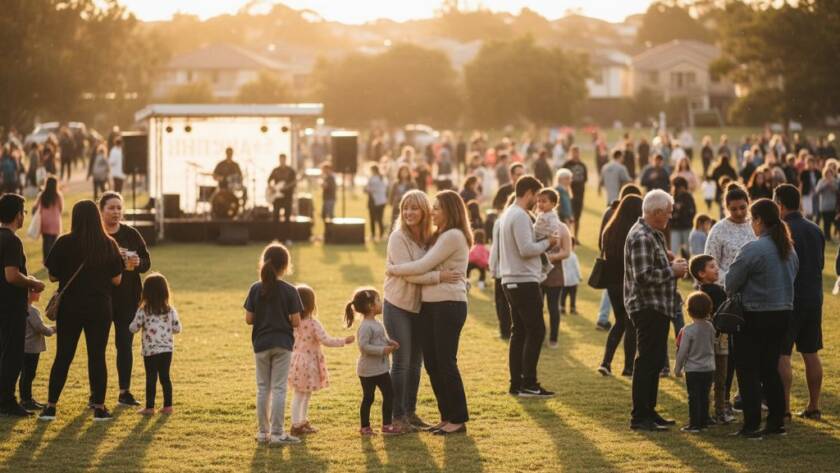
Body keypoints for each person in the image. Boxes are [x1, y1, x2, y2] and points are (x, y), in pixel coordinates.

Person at [386, 190, 471, 435]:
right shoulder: (438, 235)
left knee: (445, 363)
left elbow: (422, 266)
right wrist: (437, 276)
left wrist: (393, 270)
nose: (433, 212)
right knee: (433, 364)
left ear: (450, 211)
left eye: (437, 208)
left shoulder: (452, 236)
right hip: (430, 306)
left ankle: (457, 418)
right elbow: (423, 269)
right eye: (432, 207)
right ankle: (446, 417)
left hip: (448, 305)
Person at [41, 200, 123, 422]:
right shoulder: (109, 244)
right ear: (97, 216)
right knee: (97, 356)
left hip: (70, 308)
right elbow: (117, 279)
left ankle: (50, 407)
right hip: (99, 307)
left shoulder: (64, 242)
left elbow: (52, 276)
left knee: (63, 356)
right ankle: (99, 407)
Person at [726, 198, 798, 438]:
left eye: (752, 220)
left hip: (755, 314)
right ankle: (776, 422)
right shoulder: (788, 249)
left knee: (747, 370)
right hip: (783, 313)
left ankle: (751, 424)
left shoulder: (753, 248)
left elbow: (731, 282)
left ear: (758, 220)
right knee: (770, 369)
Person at [625, 189, 687, 431]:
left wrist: (670, 262)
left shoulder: (654, 234)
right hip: (647, 306)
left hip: (658, 306)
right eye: (668, 213)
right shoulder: (642, 236)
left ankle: (649, 412)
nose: (670, 217)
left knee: (653, 362)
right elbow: (643, 277)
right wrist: (672, 271)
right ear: (657, 212)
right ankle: (640, 416)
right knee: (647, 363)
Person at [498, 176, 559, 398]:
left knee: (520, 332)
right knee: (536, 330)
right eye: (537, 196)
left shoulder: (507, 214)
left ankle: (517, 383)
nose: (537, 201)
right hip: (523, 280)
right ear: (530, 193)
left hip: (511, 279)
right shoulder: (520, 216)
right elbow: (526, 249)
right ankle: (529, 383)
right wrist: (548, 243)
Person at [774, 185, 825, 420]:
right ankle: (814, 404)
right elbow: (820, 263)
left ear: (780, 205)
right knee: (811, 351)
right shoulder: (815, 229)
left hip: (789, 298)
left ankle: (784, 408)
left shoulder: (782, 230)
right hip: (814, 296)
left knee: (783, 353)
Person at [244, 243, 302, 445]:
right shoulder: (290, 291)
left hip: (260, 344)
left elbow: (249, 319)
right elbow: (296, 321)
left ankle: (263, 433)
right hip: (283, 344)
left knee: (263, 388)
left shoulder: (255, 288)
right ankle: (277, 434)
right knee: (278, 388)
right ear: (285, 266)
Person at [99, 192, 151, 408]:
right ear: (101, 210)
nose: (116, 212)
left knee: (124, 345)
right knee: (97, 347)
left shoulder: (131, 234)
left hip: (128, 298)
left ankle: (124, 392)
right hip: (101, 297)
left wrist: (137, 262)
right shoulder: (96, 235)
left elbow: (147, 263)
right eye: (111, 208)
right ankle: (96, 396)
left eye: (119, 208)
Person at [0, 194, 46, 416]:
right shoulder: (11, 241)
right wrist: (33, 282)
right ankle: (7, 401)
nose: (24, 216)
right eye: (23, 212)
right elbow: (11, 275)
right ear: (18, 214)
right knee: (12, 354)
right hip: (10, 305)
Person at [288, 284, 354, 436]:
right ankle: (296, 424)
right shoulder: (312, 323)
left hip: (296, 362)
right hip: (308, 363)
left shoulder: (292, 321)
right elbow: (326, 340)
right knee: (302, 394)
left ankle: (301, 422)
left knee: (302, 393)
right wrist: (344, 341)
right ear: (312, 304)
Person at [345, 287, 403, 436]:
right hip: (368, 371)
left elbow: (380, 339)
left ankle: (387, 425)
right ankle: (365, 427)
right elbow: (364, 347)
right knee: (369, 397)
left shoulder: (377, 323)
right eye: (378, 300)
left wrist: (389, 342)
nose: (381, 302)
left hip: (381, 369)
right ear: (371, 306)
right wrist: (383, 350)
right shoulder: (365, 327)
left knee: (389, 394)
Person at [597, 194, 643, 377]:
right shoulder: (634, 232)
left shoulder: (610, 229)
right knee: (630, 323)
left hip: (611, 283)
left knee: (619, 322)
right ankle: (628, 367)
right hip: (628, 282)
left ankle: (606, 362)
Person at [688, 255, 734, 423]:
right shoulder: (717, 291)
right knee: (721, 378)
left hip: (702, 343)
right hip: (720, 340)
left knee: (706, 379)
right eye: (712, 267)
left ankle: (704, 413)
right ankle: (720, 411)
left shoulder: (697, 293)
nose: (716, 269)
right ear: (701, 273)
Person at [129, 272, 181, 415]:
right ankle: (168, 406)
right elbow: (177, 329)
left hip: (150, 351)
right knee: (165, 377)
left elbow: (133, 328)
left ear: (146, 292)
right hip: (167, 350)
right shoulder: (170, 310)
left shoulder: (143, 311)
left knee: (151, 377)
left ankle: (150, 407)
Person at [674, 292, 716, 433]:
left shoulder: (688, 330)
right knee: (705, 396)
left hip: (693, 369)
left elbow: (682, 352)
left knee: (694, 397)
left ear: (689, 310)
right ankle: (704, 422)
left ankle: (694, 425)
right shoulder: (710, 327)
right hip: (709, 368)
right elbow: (713, 345)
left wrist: (677, 368)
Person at [704, 184, 755, 285]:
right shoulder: (718, 230)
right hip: (727, 288)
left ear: (748, 204)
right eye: (734, 209)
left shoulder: (756, 225)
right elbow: (710, 263)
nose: (739, 213)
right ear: (727, 208)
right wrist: (732, 280)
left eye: (742, 207)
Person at [19, 291, 54, 411]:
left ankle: (26, 398)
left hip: (24, 347)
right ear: (28, 294)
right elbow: (41, 328)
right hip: (31, 348)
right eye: (36, 291)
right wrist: (55, 328)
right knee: (28, 374)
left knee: (25, 374)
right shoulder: (32, 311)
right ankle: (26, 400)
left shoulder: (20, 308)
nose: (39, 293)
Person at [489, 190, 512, 340]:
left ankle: (504, 330)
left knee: (502, 301)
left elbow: (495, 247)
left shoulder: (500, 221)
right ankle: (506, 329)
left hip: (502, 269)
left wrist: (493, 266)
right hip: (506, 269)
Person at [32, 176, 63, 260]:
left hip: (45, 221)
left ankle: (46, 259)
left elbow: (35, 207)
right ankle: (53, 259)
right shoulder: (58, 195)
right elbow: (61, 208)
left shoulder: (42, 195)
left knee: (46, 242)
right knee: (54, 241)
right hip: (55, 221)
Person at [562, 146, 588, 239]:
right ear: (570, 153)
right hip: (568, 195)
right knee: (568, 216)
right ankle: (568, 237)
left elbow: (585, 179)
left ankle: (576, 237)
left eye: (577, 152)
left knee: (577, 216)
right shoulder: (566, 165)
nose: (575, 154)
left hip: (580, 195)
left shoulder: (582, 165)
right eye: (573, 152)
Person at [670, 176, 696, 255]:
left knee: (687, 250)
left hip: (686, 226)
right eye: (679, 187)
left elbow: (693, 211)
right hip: (675, 227)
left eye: (682, 187)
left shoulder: (688, 197)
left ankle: (687, 265)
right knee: (674, 250)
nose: (681, 189)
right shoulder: (672, 198)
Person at [268, 154, 297, 223]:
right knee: (276, 214)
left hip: (287, 195)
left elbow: (294, 182)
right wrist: (271, 187)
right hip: (277, 196)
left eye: (283, 159)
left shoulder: (290, 171)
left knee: (287, 214)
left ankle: (286, 232)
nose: (282, 161)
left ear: (285, 159)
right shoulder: (275, 170)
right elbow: (269, 180)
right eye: (281, 159)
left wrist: (288, 186)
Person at [814, 166, 838, 241]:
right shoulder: (821, 181)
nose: (829, 175)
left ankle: (834, 236)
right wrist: (825, 185)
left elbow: (837, 190)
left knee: (834, 222)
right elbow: (817, 191)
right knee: (826, 223)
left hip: (833, 206)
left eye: (830, 173)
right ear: (824, 173)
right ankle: (827, 237)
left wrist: (831, 186)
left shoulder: (835, 181)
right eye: (827, 173)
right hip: (824, 206)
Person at [389, 165, 416, 229]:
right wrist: (391, 202)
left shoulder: (412, 183)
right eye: (402, 172)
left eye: (405, 172)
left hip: (408, 207)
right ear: (399, 173)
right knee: (394, 222)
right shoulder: (396, 183)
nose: (404, 173)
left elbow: (415, 194)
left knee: (406, 222)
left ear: (408, 173)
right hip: (396, 206)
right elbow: (392, 194)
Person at [365, 164, 388, 241]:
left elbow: (380, 189)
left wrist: (370, 190)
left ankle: (381, 234)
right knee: (373, 218)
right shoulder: (371, 178)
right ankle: (373, 234)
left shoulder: (381, 178)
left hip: (379, 201)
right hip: (373, 201)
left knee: (379, 218)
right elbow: (366, 189)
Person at [560, 238, 581, 315]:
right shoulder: (573, 256)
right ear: (573, 246)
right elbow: (577, 267)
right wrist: (579, 276)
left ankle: (562, 308)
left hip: (564, 280)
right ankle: (572, 309)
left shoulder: (562, 255)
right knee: (573, 296)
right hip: (573, 280)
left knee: (563, 295)